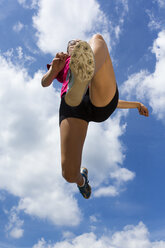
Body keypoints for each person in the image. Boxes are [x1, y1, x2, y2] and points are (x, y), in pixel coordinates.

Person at [41, 34, 149, 199]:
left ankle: (84, 78)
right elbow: (44, 82)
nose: (76, 43)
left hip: (98, 99)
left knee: (97, 38)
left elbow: (113, 102)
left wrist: (136, 105)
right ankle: (81, 181)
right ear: (68, 51)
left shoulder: (90, 55)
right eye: (72, 43)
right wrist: (54, 69)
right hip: (73, 103)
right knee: (69, 174)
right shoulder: (63, 63)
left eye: (79, 42)